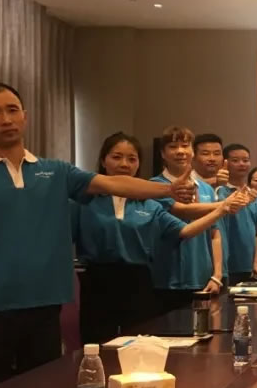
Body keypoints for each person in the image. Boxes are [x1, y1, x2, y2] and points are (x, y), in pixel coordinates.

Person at [0, 82, 195, 388]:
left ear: (25, 116)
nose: (5, 119)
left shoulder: (57, 172)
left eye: (12, 110)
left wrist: (167, 189)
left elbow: (114, 184)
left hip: (46, 305)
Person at [73, 132, 230, 344]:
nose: (124, 164)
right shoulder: (84, 200)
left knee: (139, 344)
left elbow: (185, 231)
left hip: (140, 281)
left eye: (132, 159)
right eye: (116, 157)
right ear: (103, 160)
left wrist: (222, 210)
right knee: (96, 345)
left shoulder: (148, 201)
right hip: (97, 281)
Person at [150, 126, 224, 313]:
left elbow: (214, 233)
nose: (180, 151)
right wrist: (225, 206)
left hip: (203, 278)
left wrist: (217, 275)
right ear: (163, 154)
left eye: (185, 146)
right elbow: (186, 212)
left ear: (192, 151)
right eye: (173, 147)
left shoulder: (206, 189)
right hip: (169, 279)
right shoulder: (155, 186)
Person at [217, 144, 257, 284]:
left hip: (248, 265)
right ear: (225, 163)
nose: (242, 164)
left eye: (245, 160)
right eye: (235, 160)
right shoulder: (219, 191)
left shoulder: (254, 195)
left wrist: (256, 263)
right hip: (226, 265)